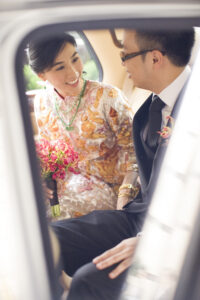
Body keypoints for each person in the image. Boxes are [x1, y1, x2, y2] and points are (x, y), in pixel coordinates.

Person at [51, 28, 195, 300]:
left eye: (126, 55)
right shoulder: (146, 112)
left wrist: (148, 242)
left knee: (87, 282)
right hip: (139, 217)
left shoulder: (194, 110)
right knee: (46, 240)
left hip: (179, 237)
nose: (122, 63)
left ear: (155, 59)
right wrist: (127, 197)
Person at [28, 33, 139, 221]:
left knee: (51, 217)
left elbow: (136, 153)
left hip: (110, 188)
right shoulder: (42, 102)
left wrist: (125, 195)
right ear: (42, 75)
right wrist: (46, 182)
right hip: (66, 184)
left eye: (75, 59)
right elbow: (51, 156)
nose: (73, 73)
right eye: (60, 67)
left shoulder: (108, 97)